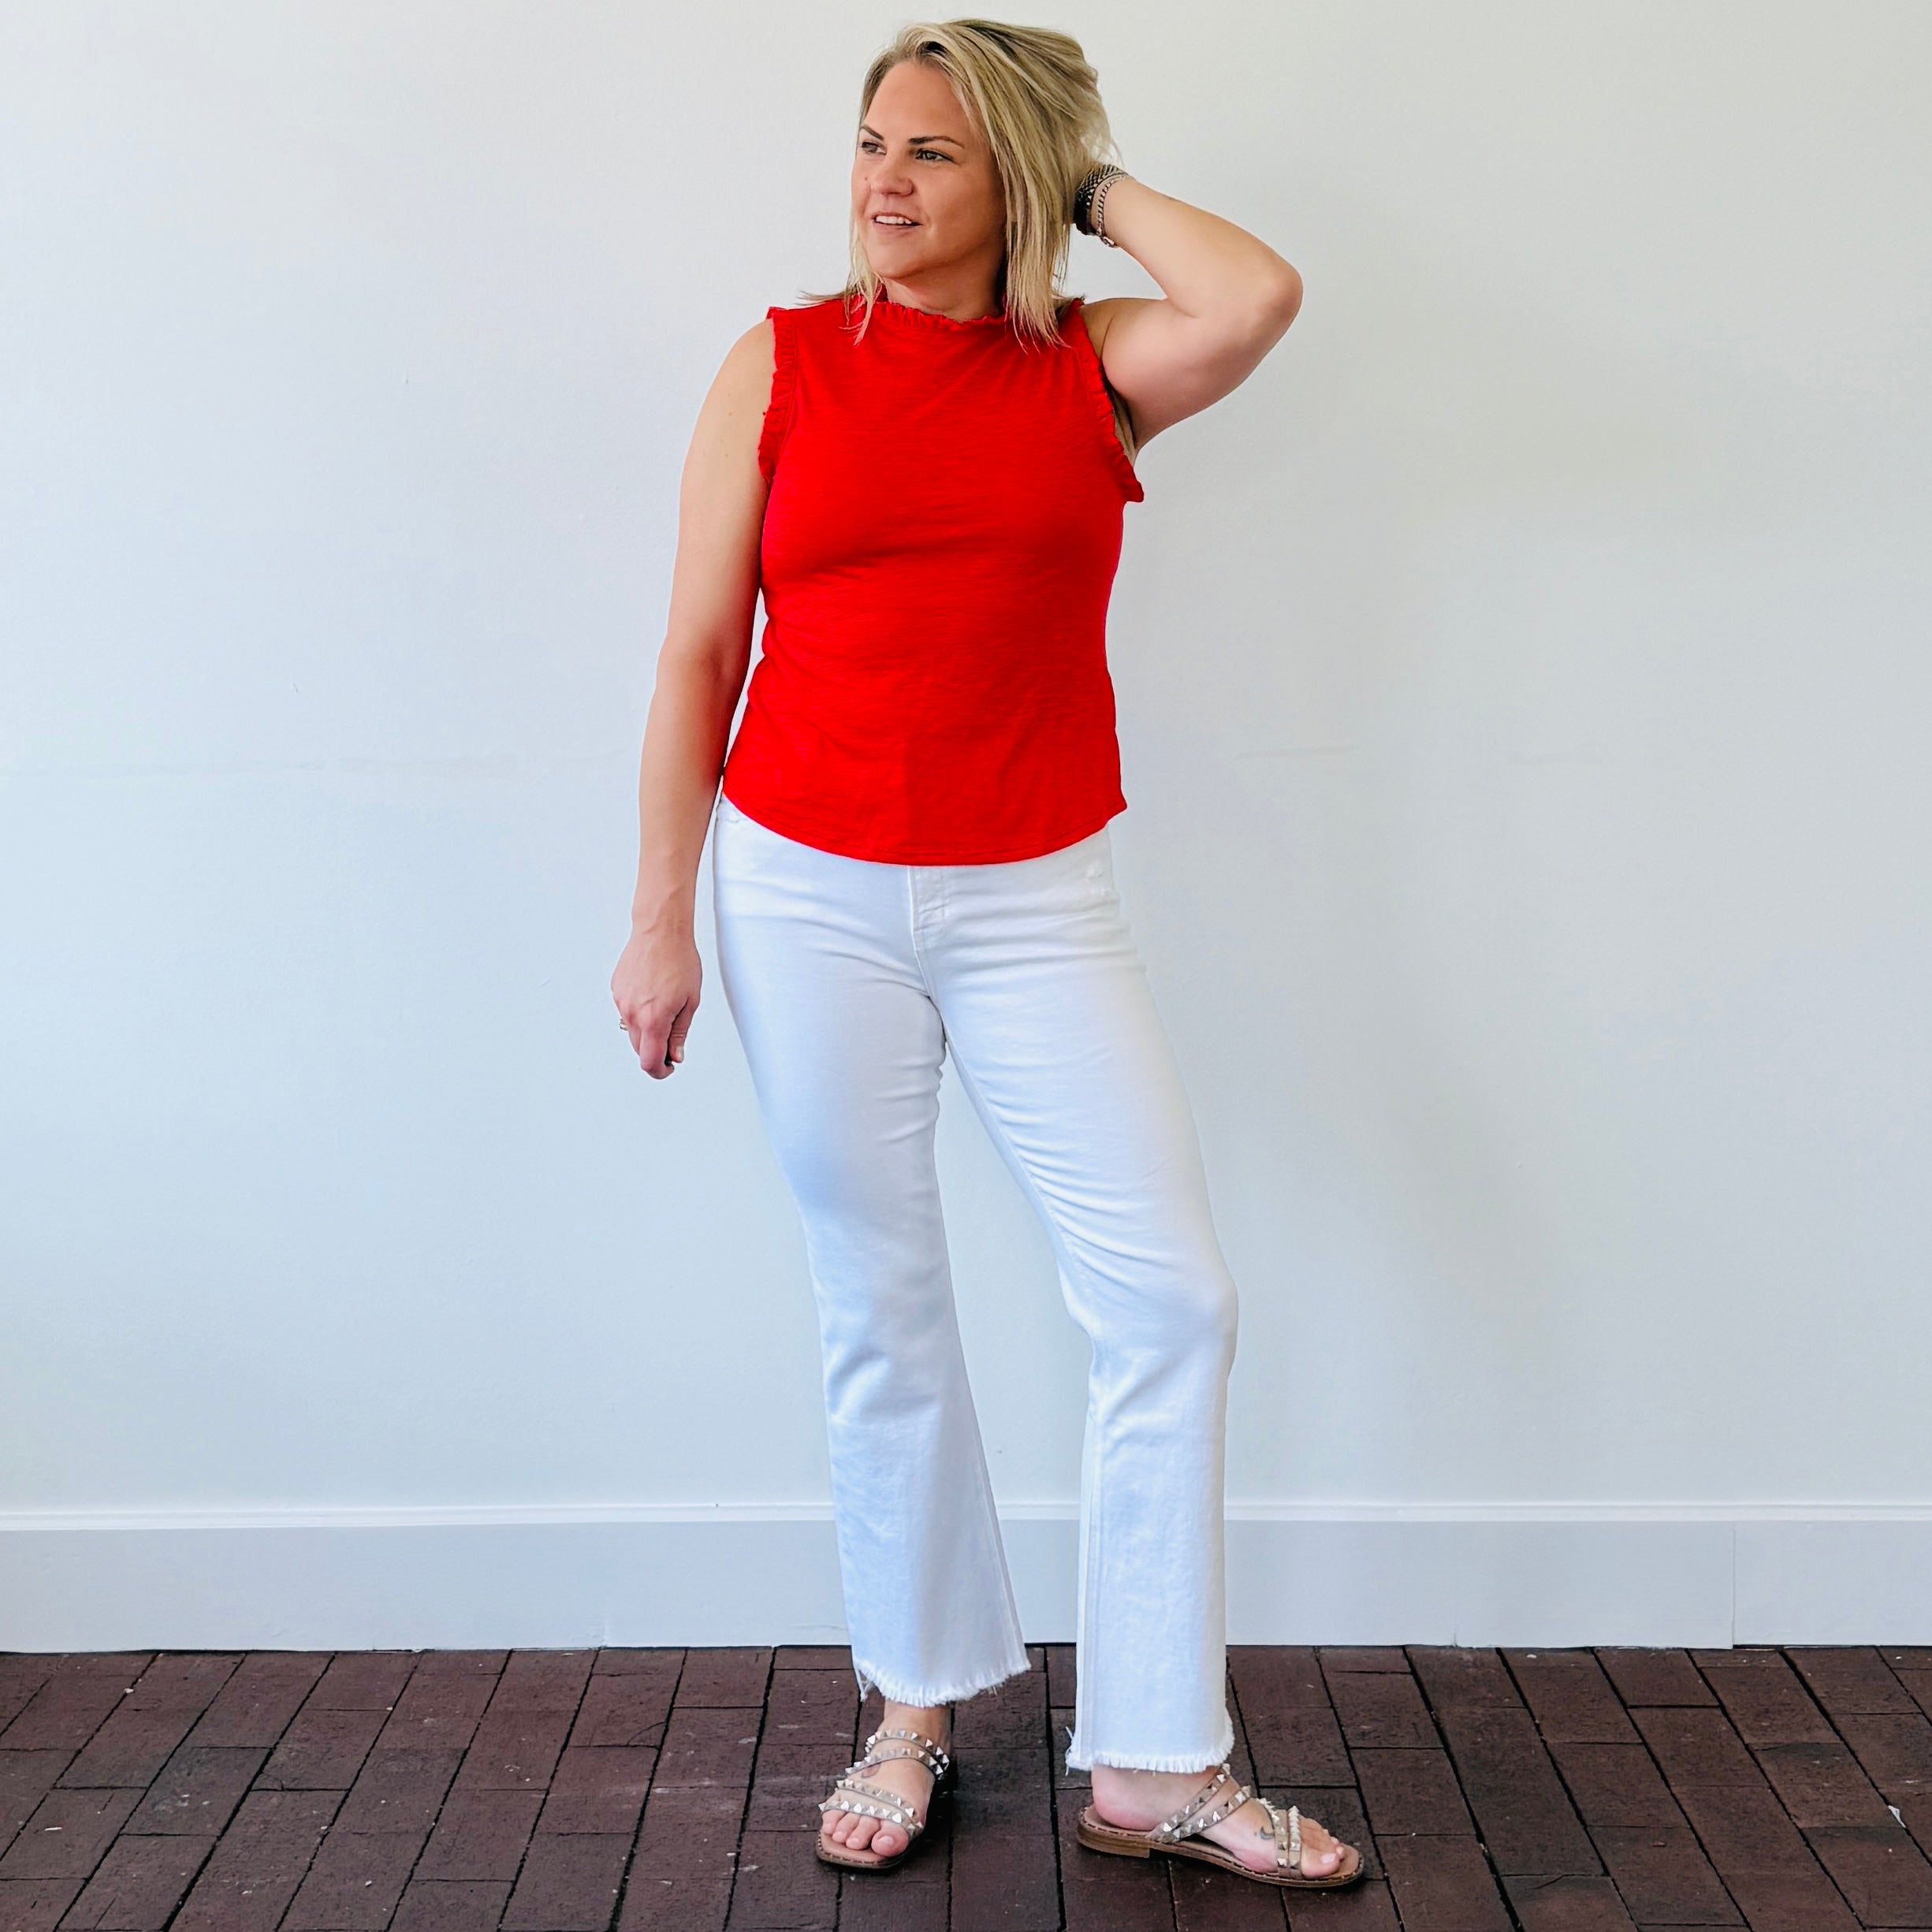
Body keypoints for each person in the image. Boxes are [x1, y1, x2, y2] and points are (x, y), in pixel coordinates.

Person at [612, 18, 1363, 1896]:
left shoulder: (1091, 369)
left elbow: (1253, 293)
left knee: (1168, 1300)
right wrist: (658, 916)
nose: (882, 179)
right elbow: (698, 652)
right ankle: (911, 1706)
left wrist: (1078, 179)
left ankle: (1156, 1755)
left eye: (934, 150)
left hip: (1034, 894)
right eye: (871, 141)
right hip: (802, 887)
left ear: (1011, 178)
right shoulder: (780, 362)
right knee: (882, 1301)